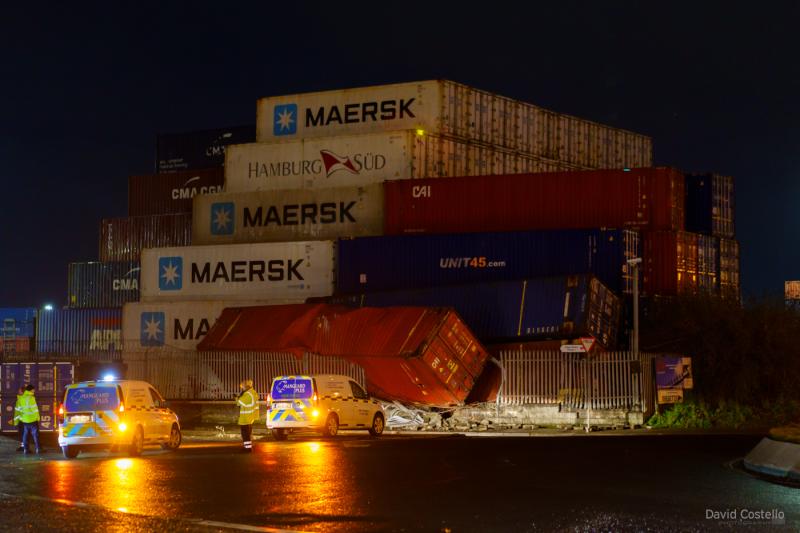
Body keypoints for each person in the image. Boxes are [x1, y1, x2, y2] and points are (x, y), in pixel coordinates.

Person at [236, 379, 259, 452]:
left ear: (246, 386)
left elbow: (239, 403)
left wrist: (237, 397)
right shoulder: (252, 392)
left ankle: (248, 448)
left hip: (245, 418)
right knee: (248, 433)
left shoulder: (248, 394)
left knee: (245, 434)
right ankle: (248, 447)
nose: (242, 388)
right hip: (250, 417)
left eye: (242, 387)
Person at [18, 384, 40, 455]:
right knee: (35, 435)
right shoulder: (31, 398)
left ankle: (26, 449)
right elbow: (35, 410)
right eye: (33, 389)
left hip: (25, 420)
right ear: (31, 390)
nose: (34, 391)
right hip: (32, 419)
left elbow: (20, 409)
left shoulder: (21, 398)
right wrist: (38, 417)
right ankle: (38, 449)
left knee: (25, 435)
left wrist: (21, 418)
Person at [14, 387, 25, 452]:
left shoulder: (20, 400)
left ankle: (23, 447)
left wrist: (15, 421)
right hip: (28, 420)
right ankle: (23, 446)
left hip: (22, 420)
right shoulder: (30, 399)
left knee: (22, 434)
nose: (18, 392)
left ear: (22, 392)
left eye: (19, 391)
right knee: (26, 434)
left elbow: (17, 412)